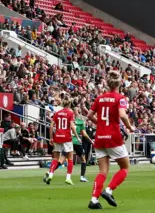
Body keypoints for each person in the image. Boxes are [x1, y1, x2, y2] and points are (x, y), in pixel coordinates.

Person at [86, 70, 135, 209]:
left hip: (99, 138)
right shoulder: (120, 98)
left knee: (102, 171)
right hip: (113, 137)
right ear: (120, 83)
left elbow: (89, 115)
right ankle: (108, 191)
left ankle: (94, 200)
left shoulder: (100, 98)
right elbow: (123, 115)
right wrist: (129, 127)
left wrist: (100, 124)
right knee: (125, 167)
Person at [43, 98, 79, 185]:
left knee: (55, 158)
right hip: (66, 137)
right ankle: (68, 178)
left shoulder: (57, 113)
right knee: (70, 158)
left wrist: (51, 137)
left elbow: (51, 126)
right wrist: (77, 137)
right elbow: (72, 126)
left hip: (57, 137)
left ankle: (50, 174)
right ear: (69, 105)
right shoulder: (70, 113)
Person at [73, 107, 93, 182]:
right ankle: (82, 177)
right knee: (83, 158)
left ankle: (50, 172)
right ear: (78, 112)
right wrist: (91, 140)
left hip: (68, 141)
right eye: (79, 112)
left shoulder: (70, 120)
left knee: (63, 158)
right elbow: (84, 134)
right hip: (76, 141)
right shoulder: (80, 121)